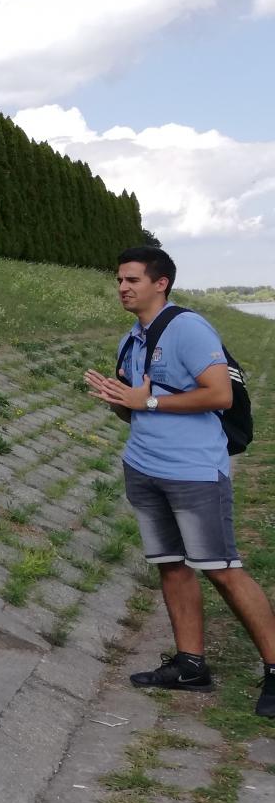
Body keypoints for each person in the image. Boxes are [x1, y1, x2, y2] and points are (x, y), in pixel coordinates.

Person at [84, 246, 275, 716]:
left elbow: (220, 394)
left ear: (161, 283)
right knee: (171, 565)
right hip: (144, 467)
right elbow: (136, 410)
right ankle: (191, 666)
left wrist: (147, 402)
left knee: (222, 569)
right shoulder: (131, 340)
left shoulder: (187, 328)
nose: (123, 288)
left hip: (194, 472)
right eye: (119, 280)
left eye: (132, 280)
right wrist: (119, 400)